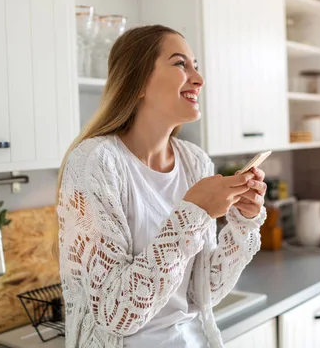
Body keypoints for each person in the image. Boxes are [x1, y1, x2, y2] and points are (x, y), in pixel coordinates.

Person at [55, 25, 267, 348]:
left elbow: (200, 291)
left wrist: (242, 225)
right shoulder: (95, 164)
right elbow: (116, 312)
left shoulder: (195, 162)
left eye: (196, 65)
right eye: (181, 64)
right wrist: (192, 213)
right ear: (138, 81)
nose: (198, 78)